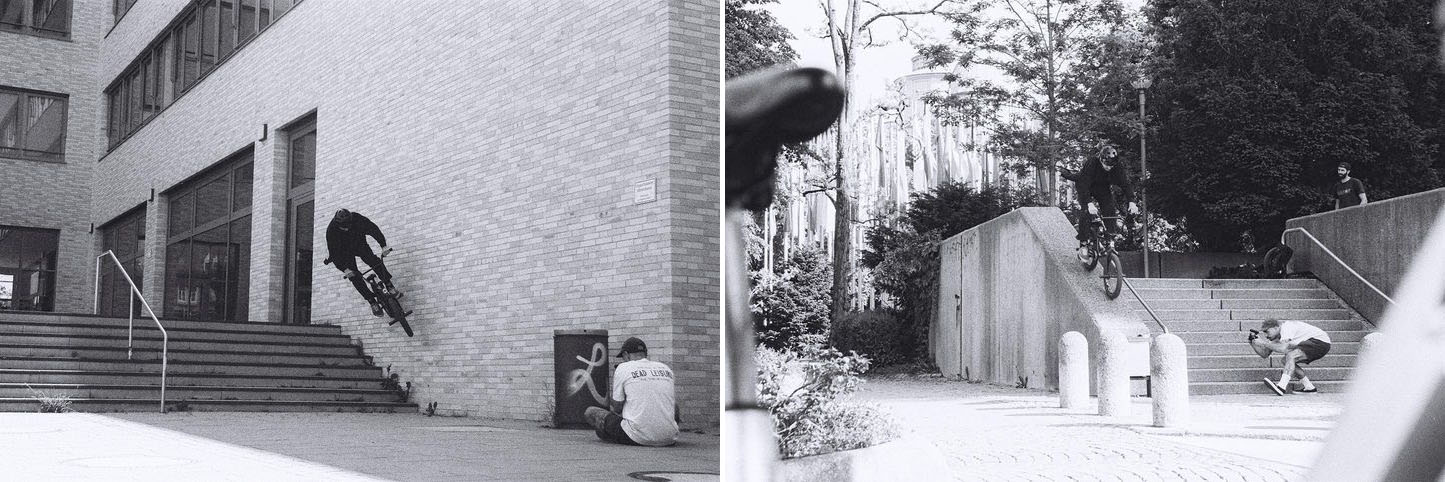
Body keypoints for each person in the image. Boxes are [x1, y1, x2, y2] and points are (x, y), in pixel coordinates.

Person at [584, 337, 680, 446]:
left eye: (623, 358)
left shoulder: (623, 367)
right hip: (670, 438)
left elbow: (617, 408)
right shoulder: (665, 368)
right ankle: (663, 432)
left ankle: (612, 435)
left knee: (590, 412)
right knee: (673, 405)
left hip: (636, 437)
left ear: (626, 355)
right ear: (645, 354)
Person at [1069, 145, 1139, 258]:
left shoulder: (1117, 167)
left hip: (1103, 189)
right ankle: (1083, 244)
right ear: (1101, 159)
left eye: (1111, 166)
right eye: (1106, 165)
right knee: (1086, 211)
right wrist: (1089, 203)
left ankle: (1110, 240)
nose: (1108, 168)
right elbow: (1083, 185)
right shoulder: (1092, 163)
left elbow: (1126, 184)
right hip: (1085, 186)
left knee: (1110, 210)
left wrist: (1132, 202)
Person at [324, 209, 394, 317]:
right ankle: (372, 301)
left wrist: (383, 245)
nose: (347, 228)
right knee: (354, 275)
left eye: (348, 225)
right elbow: (334, 254)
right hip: (344, 251)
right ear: (338, 224)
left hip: (359, 243)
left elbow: (373, 230)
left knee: (373, 260)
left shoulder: (357, 219)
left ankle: (389, 285)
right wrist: (345, 269)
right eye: (344, 227)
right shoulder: (331, 231)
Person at [1250, 318, 1332, 395]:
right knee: (1285, 360)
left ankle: (1281, 386)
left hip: (1320, 341)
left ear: (1275, 327)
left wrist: (1263, 343)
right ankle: (1309, 387)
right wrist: (1252, 343)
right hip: (1316, 344)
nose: (1266, 336)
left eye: (1267, 331)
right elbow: (1265, 354)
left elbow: (1283, 348)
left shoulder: (1287, 327)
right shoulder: (1275, 337)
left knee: (1291, 355)